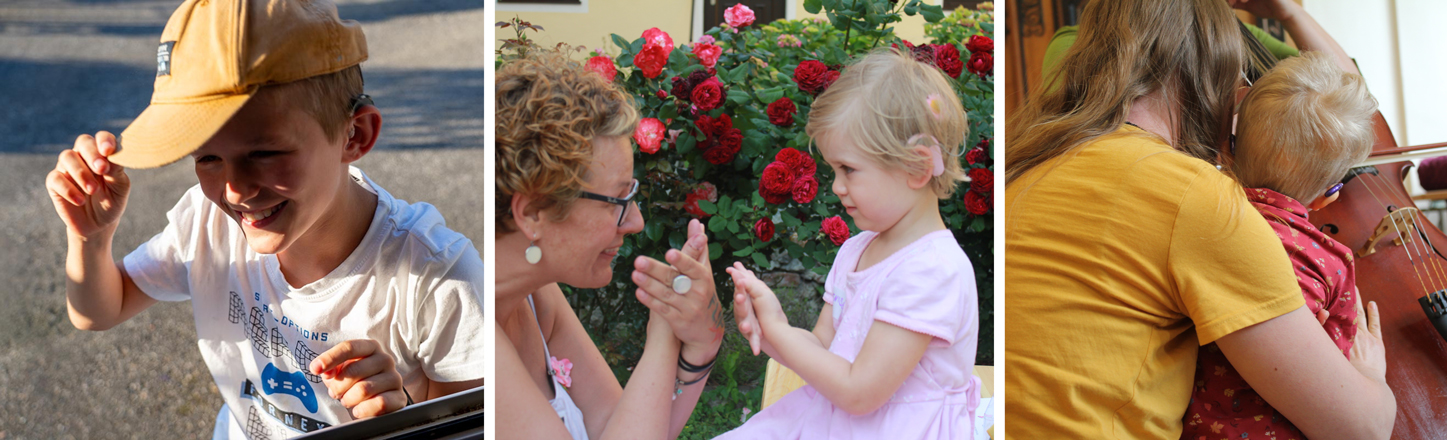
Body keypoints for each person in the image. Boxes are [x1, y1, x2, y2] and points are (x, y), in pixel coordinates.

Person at [47, 1, 485, 437]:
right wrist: (90, 238)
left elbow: (470, 425)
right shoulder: (206, 223)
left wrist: (403, 416)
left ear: (355, 134)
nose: (235, 190)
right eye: (207, 158)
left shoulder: (439, 278)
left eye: (265, 153)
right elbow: (98, 311)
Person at [1004, 0, 1394, 437]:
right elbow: (1364, 428)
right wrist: (1373, 377)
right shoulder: (1193, 194)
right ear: (1215, 77)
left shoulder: (1026, 171)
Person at [722, 49, 982, 438]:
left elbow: (860, 392)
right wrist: (771, 326)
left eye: (848, 169)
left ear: (917, 167)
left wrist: (777, 330)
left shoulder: (933, 270)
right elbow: (822, 352)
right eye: (834, 170)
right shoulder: (857, 250)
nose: (837, 187)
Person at [493, 50, 720, 440]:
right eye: (618, 200)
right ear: (532, 213)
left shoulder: (536, 295)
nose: (636, 222)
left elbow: (622, 427)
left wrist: (699, 347)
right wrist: (664, 336)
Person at [1173, 51, 1383, 440]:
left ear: (1228, 151)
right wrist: (1372, 374)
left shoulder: (1200, 224)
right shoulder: (1329, 261)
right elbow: (1334, 373)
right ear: (1327, 195)